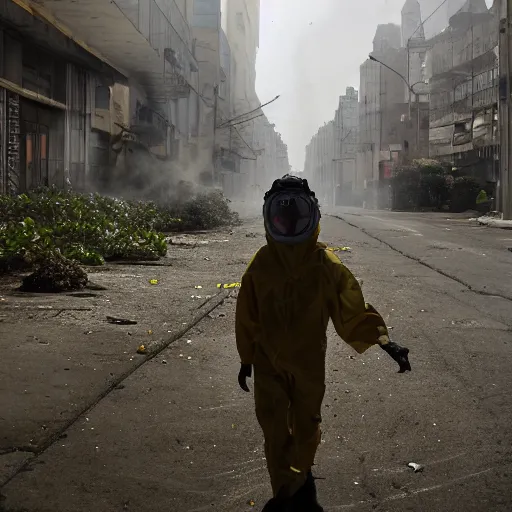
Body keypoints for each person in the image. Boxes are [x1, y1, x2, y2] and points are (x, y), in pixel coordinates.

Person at [235, 175, 411, 511]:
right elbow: (248, 315)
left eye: (295, 214)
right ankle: (286, 491)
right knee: (274, 429)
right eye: (282, 215)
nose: (288, 222)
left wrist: (384, 340)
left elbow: (352, 310)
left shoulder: (325, 265)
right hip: (268, 363)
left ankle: (297, 478)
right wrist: (247, 357)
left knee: (306, 427)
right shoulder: (262, 264)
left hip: (307, 365)